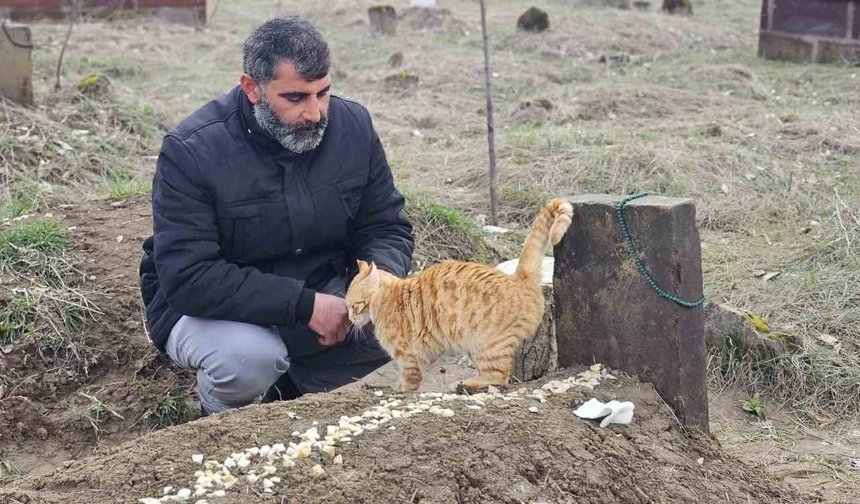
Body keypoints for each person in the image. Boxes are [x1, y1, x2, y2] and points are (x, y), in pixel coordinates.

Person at [138, 15, 414, 415]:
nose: (316, 113)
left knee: (410, 323)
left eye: (323, 94)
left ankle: (290, 397)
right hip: (216, 311)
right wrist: (306, 307)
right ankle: (218, 423)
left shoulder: (353, 126)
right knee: (248, 360)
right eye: (296, 98)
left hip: (324, 289)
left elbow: (385, 225)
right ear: (252, 87)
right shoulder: (192, 150)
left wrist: (373, 288)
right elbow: (189, 277)